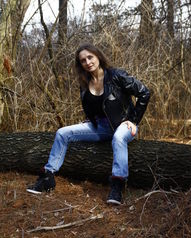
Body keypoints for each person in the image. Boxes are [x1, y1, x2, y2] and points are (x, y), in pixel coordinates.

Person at [27, 43, 150, 205]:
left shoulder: (117, 75)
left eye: (90, 57)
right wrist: (91, 119)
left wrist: (133, 120)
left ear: (98, 56)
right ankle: (47, 177)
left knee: (119, 138)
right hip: (100, 127)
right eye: (83, 60)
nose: (88, 62)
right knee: (62, 133)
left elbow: (144, 92)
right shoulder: (84, 83)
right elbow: (92, 107)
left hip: (123, 126)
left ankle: (117, 186)